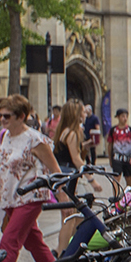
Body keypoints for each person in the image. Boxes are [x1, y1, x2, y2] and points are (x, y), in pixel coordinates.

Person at [0, 95, 62, 262]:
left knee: (9, 242)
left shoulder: (35, 140)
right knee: (34, 243)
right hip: (10, 198)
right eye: (0, 114)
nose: (2, 119)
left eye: (7, 116)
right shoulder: (6, 136)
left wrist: (63, 198)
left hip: (29, 197)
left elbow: (56, 172)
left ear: (21, 116)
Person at [51, 100, 103, 253]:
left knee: (74, 217)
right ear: (76, 114)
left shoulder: (64, 131)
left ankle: (71, 250)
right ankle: (62, 252)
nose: (85, 114)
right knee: (69, 218)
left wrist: (84, 146)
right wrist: (92, 180)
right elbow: (76, 159)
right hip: (69, 177)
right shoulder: (73, 133)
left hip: (62, 175)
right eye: (82, 111)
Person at [108, 109, 131, 182]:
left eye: (126, 116)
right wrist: (110, 158)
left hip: (128, 157)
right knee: (116, 177)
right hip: (117, 157)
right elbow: (110, 144)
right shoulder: (113, 130)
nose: (125, 118)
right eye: (123, 116)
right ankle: (116, 193)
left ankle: (129, 192)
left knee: (128, 177)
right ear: (118, 117)